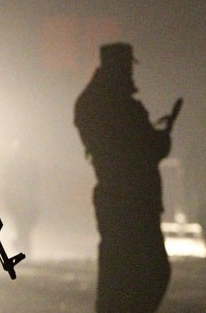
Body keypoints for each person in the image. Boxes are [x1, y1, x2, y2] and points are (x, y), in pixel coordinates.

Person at [74, 42, 177, 312]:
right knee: (150, 272)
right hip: (134, 200)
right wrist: (162, 138)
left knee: (119, 275)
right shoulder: (121, 105)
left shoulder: (92, 102)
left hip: (116, 197)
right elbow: (143, 150)